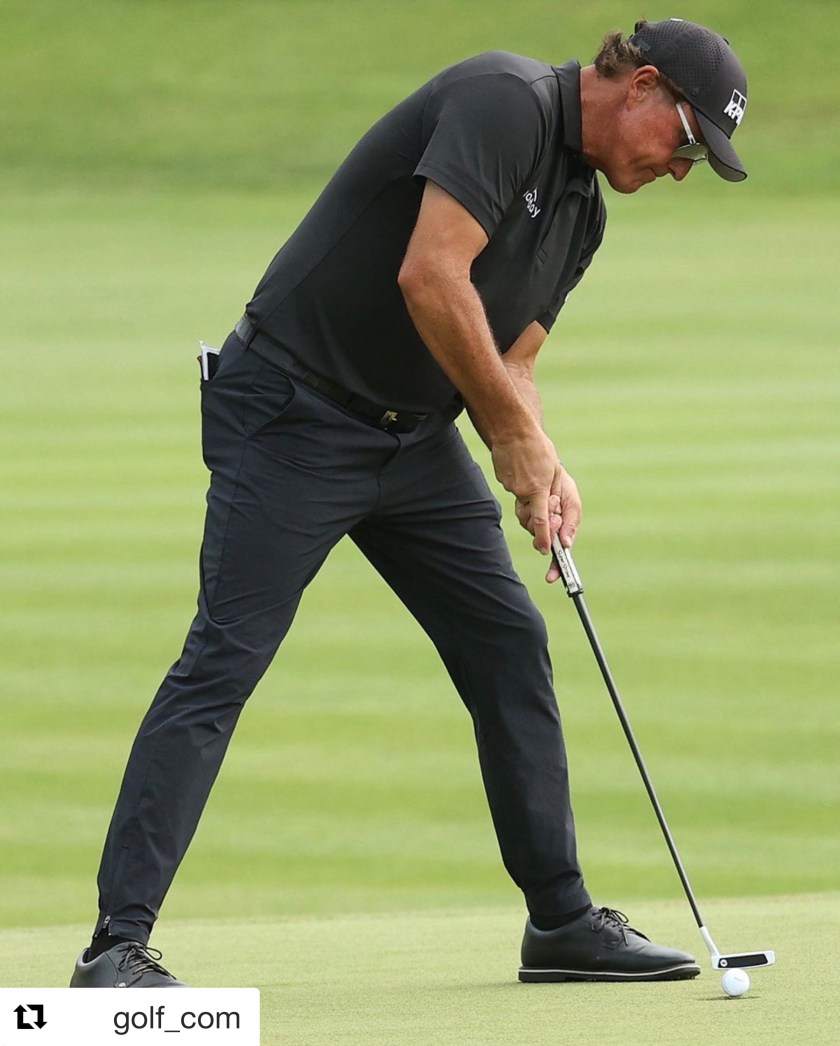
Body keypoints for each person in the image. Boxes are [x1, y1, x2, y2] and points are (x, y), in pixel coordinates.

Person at [70, 17, 748, 988]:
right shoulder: (503, 101)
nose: (682, 168)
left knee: (508, 640)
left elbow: (513, 361)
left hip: (414, 438)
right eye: (685, 141)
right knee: (223, 662)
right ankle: (114, 951)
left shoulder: (583, 212)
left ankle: (560, 921)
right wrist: (509, 437)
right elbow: (431, 273)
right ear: (640, 86)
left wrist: (543, 462)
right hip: (292, 412)